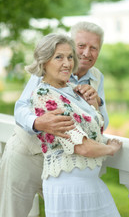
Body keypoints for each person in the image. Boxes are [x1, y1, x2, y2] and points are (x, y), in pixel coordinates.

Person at [0, 22, 110, 217]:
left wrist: (97, 102)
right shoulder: (47, 69)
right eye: (81, 46)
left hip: (63, 167)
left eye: (94, 47)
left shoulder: (96, 77)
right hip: (27, 156)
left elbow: (102, 123)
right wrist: (38, 122)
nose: (86, 53)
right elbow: (21, 107)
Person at [27, 33, 122, 217]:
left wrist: (94, 103)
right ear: (44, 61)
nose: (67, 63)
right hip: (68, 187)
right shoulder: (44, 96)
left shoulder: (73, 89)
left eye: (70, 57)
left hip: (90, 183)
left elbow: (94, 128)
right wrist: (109, 149)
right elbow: (82, 146)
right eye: (59, 57)